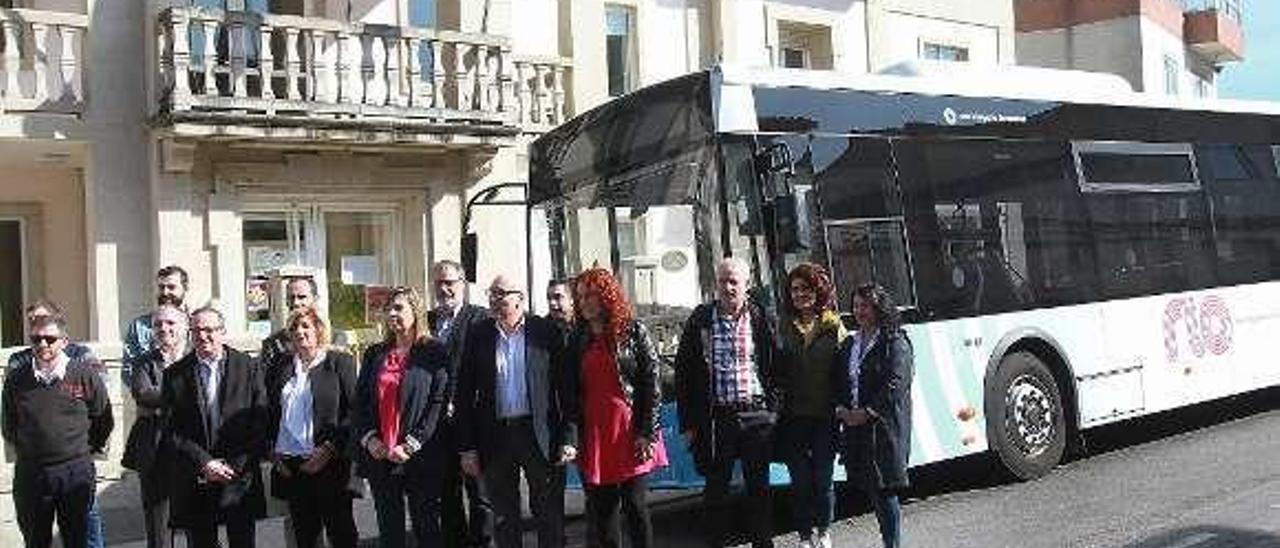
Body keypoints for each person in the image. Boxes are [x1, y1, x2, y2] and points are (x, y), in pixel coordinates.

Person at [456, 274, 575, 548]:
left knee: (548, 513)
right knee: (504, 517)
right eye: (492, 294)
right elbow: (463, 394)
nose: (495, 300)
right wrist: (467, 447)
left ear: (520, 298)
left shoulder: (545, 332)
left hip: (539, 435)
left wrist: (570, 436)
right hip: (495, 436)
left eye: (502, 294)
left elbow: (566, 389)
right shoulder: (479, 334)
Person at [674, 257, 779, 548]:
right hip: (717, 418)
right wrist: (689, 424)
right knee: (716, 490)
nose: (728, 287)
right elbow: (683, 373)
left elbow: (777, 367)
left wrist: (773, 412)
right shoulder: (701, 319)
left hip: (756, 414)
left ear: (747, 285)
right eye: (722, 281)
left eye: (734, 281)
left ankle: (763, 543)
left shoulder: (760, 317)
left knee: (758, 488)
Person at [563, 268, 667, 548]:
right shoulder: (577, 337)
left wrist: (648, 431)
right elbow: (570, 392)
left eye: (591, 295)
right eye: (581, 296)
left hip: (632, 432)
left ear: (607, 296)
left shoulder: (633, 330)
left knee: (635, 505)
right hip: (596, 435)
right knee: (604, 512)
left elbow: (651, 383)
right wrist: (572, 438)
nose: (584, 302)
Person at [2, 313, 114, 548]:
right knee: (35, 540)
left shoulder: (84, 374)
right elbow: (8, 423)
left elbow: (103, 419)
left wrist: (83, 449)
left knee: (77, 539)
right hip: (32, 474)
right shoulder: (17, 379)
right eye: (36, 339)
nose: (43, 344)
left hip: (75, 473)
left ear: (64, 341)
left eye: (50, 339)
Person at [352, 286, 450, 548]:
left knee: (426, 524)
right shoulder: (375, 354)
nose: (391, 314)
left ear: (415, 312)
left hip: (420, 454)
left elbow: (437, 404)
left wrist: (411, 444)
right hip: (381, 455)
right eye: (388, 309)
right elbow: (361, 403)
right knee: (389, 528)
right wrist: (370, 440)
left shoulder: (434, 352)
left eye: (398, 308)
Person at [164, 306, 268, 548]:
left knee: (242, 541)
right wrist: (205, 462)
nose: (203, 336)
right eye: (196, 330)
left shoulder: (248, 367)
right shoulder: (175, 375)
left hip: (239, 474)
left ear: (222, 332)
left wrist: (233, 465)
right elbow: (171, 429)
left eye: (209, 330)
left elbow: (260, 419)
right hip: (197, 476)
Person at [266, 306, 360, 548]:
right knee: (305, 536)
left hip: (330, 462)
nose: (300, 332)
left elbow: (355, 412)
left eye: (306, 326)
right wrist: (273, 454)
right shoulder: (281, 365)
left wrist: (329, 448)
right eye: (295, 327)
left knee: (341, 533)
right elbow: (267, 411)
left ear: (319, 329)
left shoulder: (340, 362)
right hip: (292, 466)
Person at [834, 283, 914, 548]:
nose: (859, 311)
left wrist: (867, 412)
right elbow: (839, 381)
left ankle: (892, 544)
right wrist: (842, 409)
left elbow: (897, 382)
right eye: (856, 306)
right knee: (872, 488)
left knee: (884, 487)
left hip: (883, 426)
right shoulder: (850, 343)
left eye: (865, 305)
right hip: (857, 428)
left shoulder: (895, 341)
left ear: (879, 308)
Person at [775, 264, 846, 548]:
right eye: (795, 289)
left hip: (824, 417)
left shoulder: (833, 326)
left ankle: (825, 531)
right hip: (792, 418)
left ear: (818, 291)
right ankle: (804, 536)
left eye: (806, 288)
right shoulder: (782, 326)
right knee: (800, 482)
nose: (800, 294)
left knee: (823, 478)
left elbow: (846, 371)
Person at [426, 260, 493, 548]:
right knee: (446, 495)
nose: (444, 288)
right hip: (435, 427)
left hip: (472, 423)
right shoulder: (425, 321)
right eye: (439, 283)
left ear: (462, 284)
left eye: (450, 282)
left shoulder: (480, 319)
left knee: (480, 496)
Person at [122, 305, 189, 548]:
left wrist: (164, 400)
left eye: (170, 323)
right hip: (154, 446)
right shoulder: (144, 361)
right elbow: (143, 394)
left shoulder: (195, 356)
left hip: (193, 447)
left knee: (198, 519)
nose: (164, 329)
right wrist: (185, 396)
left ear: (184, 327)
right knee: (158, 522)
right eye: (158, 324)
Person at [124, 265, 189, 382]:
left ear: (185, 288)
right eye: (161, 287)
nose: (165, 292)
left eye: (171, 287)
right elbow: (128, 370)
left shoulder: (197, 324)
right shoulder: (139, 327)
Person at [260, 276, 319, 372]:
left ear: (315, 299)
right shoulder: (273, 344)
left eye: (302, 297)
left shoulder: (335, 339)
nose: (295, 303)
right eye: (291, 298)